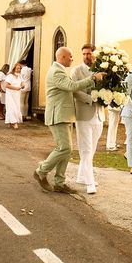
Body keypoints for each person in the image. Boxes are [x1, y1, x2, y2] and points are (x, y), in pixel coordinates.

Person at [33, 47, 104, 194]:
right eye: (70, 56)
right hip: (57, 115)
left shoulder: (59, 70)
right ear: (62, 57)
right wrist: (92, 78)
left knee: (66, 149)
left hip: (64, 115)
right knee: (64, 148)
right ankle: (41, 170)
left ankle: (60, 183)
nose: (72, 58)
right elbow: (72, 86)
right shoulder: (56, 71)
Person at [72, 44, 105, 194]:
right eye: (84, 54)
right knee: (86, 150)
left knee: (92, 149)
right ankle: (90, 183)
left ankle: (81, 176)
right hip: (84, 114)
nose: (86, 56)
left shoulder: (101, 70)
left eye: (89, 53)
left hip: (99, 114)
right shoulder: (77, 71)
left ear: (94, 55)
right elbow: (75, 91)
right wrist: (91, 99)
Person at [4, 62, 25, 129]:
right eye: (17, 69)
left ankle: (11, 122)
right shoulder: (10, 76)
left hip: (17, 95)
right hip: (10, 95)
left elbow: (22, 82)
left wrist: (23, 85)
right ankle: (14, 123)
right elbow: (6, 85)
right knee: (12, 108)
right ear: (14, 69)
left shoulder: (20, 76)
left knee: (16, 108)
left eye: (19, 69)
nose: (18, 70)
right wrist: (15, 88)